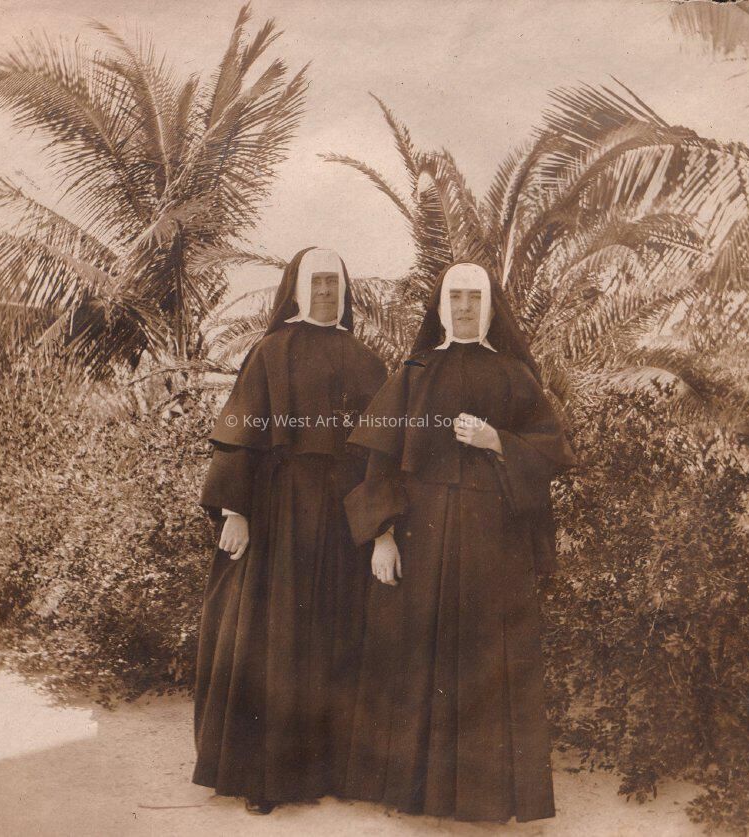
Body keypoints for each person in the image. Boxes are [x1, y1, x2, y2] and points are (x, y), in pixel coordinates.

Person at [342, 262, 576, 823]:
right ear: (442, 307)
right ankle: (414, 793)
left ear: (489, 306)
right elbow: (379, 460)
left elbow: (553, 449)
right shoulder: (414, 371)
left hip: (496, 542)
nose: (465, 307)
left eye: (474, 297)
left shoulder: (513, 374)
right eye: (456, 298)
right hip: (422, 536)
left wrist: (498, 441)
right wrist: (382, 537)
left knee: (487, 661)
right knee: (418, 656)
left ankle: (484, 799)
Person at [192, 247, 387, 813]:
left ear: (345, 290)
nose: (326, 292)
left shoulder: (366, 360)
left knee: (335, 633)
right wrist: (235, 510)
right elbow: (240, 430)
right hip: (279, 509)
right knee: (272, 637)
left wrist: (379, 525)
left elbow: (382, 449)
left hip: (343, 513)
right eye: (316, 282)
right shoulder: (271, 352)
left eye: (334, 283)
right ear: (299, 289)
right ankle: (265, 777)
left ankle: (330, 771)